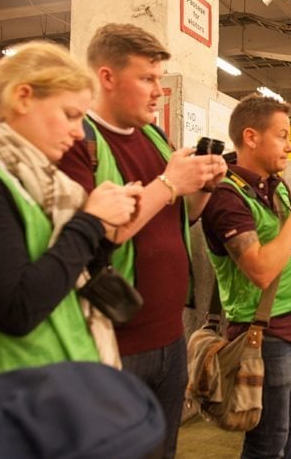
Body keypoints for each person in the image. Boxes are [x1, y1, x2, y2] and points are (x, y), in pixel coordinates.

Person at [0, 42, 142, 404]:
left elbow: (57, 278)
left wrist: (104, 237)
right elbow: (17, 309)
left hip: (51, 399)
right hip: (4, 413)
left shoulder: (33, 184)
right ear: (23, 97)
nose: (78, 132)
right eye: (70, 114)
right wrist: (90, 223)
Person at [58, 23, 226, 459]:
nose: (157, 90)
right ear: (107, 77)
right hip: (114, 342)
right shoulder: (78, 143)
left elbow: (179, 218)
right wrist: (171, 181)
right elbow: (99, 233)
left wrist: (202, 187)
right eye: (146, 78)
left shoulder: (154, 137)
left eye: (158, 78)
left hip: (170, 336)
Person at [202, 93, 291, 458]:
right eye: (282, 136)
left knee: (289, 433)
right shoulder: (227, 196)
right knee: (267, 443)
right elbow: (260, 270)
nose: (290, 148)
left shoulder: (276, 188)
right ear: (251, 137)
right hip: (263, 336)